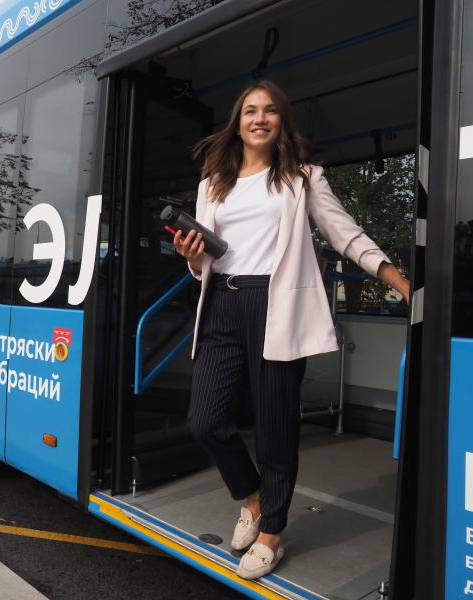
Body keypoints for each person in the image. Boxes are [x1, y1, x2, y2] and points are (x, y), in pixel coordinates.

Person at [172, 80, 410, 580]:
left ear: (282, 121)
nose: (259, 119)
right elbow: (206, 263)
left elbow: (343, 231)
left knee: (276, 427)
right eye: (250, 111)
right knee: (205, 420)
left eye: (270, 111)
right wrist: (194, 260)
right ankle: (254, 499)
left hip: (274, 305)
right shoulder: (214, 180)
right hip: (220, 303)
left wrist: (395, 278)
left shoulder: (303, 178)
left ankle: (272, 534)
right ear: (237, 121)